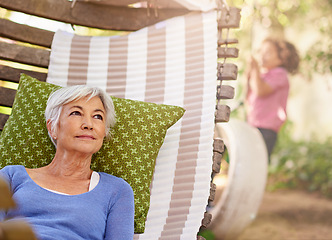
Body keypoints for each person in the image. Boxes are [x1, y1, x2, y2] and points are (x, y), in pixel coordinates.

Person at [0, 85, 135, 240]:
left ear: (104, 132)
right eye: (76, 113)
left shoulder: (117, 191)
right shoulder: (11, 177)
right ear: (52, 128)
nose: (88, 124)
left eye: (98, 116)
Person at [245, 37, 300, 159]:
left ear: (282, 58)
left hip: (266, 129)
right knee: (249, 161)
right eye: (261, 52)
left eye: (268, 53)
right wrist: (249, 75)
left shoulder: (280, 74)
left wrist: (255, 70)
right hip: (253, 125)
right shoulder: (263, 75)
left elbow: (260, 90)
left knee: (257, 162)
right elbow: (247, 98)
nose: (263, 56)